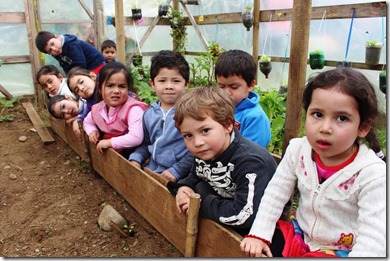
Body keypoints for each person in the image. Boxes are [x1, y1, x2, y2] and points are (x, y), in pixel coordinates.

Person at [240, 67, 386, 257]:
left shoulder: (372, 174)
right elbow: (276, 193)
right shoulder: (298, 150)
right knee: (254, 241)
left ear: (363, 127)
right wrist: (259, 235)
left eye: (341, 118)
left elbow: (374, 237)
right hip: (299, 236)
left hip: (338, 251)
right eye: (317, 114)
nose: (325, 128)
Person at [167, 87, 277, 236]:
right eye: (188, 135)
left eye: (205, 130)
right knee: (199, 185)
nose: (197, 142)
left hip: (259, 227)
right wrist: (183, 188)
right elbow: (196, 175)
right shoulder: (207, 151)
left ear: (228, 125)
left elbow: (246, 216)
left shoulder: (249, 162)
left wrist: (200, 205)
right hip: (226, 203)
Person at [129, 50, 193, 182]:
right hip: (153, 169)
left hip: (181, 174)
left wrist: (177, 170)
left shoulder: (190, 114)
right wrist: (136, 158)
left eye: (176, 81)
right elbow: (147, 143)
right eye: (162, 81)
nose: (169, 86)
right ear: (152, 84)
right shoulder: (149, 114)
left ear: (186, 84)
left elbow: (197, 150)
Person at [83, 62, 148, 159]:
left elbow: (135, 138)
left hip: (132, 155)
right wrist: (92, 131)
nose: (116, 91)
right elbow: (87, 122)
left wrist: (109, 142)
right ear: (100, 88)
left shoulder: (133, 109)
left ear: (128, 89)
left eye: (122, 86)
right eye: (110, 85)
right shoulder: (98, 109)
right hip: (111, 156)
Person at [214, 49, 271, 149]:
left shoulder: (255, 118)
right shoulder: (215, 108)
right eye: (221, 86)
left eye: (234, 87)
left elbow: (251, 153)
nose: (226, 93)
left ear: (251, 85)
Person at [35, 31, 105, 74]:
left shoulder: (71, 45)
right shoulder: (58, 55)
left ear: (57, 37)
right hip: (85, 69)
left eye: (52, 43)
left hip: (96, 64)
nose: (54, 49)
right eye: (50, 50)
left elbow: (80, 63)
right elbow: (66, 67)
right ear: (49, 54)